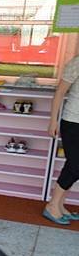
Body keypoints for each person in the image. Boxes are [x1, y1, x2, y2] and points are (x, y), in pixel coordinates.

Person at [44, 55, 79, 225]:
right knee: (75, 166)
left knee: (73, 166)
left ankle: (59, 205)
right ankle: (52, 206)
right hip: (73, 122)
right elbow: (60, 92)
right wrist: (53, 121)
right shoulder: (77, 62)